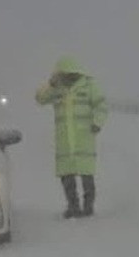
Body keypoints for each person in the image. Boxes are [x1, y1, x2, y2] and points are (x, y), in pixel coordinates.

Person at [35, 56, 107, 218]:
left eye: (67, 74)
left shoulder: (89, 86)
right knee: (67, 177)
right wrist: (49, 84)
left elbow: (101, 105)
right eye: (62, 75)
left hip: (84, 139)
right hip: (65, 142)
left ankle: (88, 208)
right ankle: (73, 207)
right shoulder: (56, 88)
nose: (65, 78)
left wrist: (97, 122)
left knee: (87, 176)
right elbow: (40, 99)